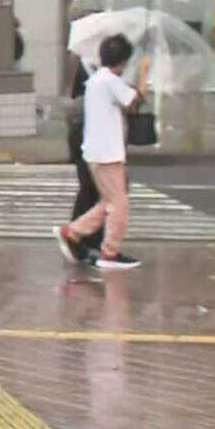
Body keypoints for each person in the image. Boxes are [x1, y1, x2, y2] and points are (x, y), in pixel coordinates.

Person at [53, 34, 144, 270]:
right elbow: (134, 102)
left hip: (96, 152)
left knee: (108, 203)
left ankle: (72, 232)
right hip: (108, 154)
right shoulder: (110, 81)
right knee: (119, 204)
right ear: (122, 61)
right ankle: (110, 252)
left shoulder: (96, 80)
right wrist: (144, 73)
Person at [62, 51, 103, 260]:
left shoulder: (86, 65)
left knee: (91, 189)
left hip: (85, 134)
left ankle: (81, 237)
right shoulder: (94, 70)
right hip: (88, 135)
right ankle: (79, 236)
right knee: (95, 190)